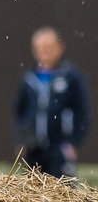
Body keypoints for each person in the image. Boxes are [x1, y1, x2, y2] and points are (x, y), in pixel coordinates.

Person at [14, 26, 90, 180]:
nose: (44, 52)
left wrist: (74, 142)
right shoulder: (29, 78)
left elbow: (82, 111)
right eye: (40, 48)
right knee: (32, 193)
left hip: (59, 147)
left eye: (49, 47)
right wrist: (21, 140)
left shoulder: (70, 76)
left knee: (63, 191)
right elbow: (19, 111)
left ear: (60, 48)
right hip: (33, 147)